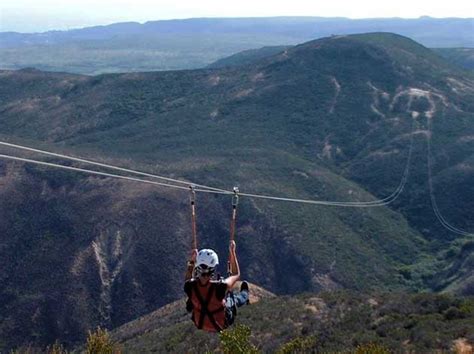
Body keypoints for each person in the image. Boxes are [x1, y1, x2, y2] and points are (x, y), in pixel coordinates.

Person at [184, 240, 249, 332]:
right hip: (221, 323)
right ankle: (245, 294)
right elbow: (236, 274)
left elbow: (188, 278)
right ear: (213, 268)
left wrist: (192, 261)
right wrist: (232, 252)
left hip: (200, 322)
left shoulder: (190, 286)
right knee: (233, 299)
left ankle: (244, 295)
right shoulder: (220, 287)